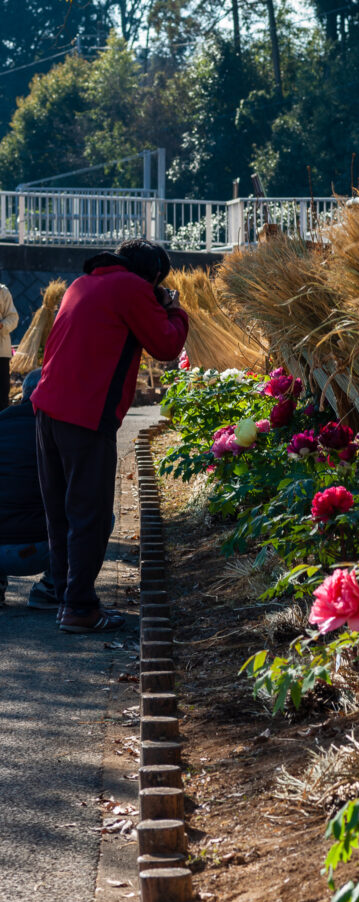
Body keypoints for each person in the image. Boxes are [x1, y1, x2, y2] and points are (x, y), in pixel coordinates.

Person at [31, 239, 188, 633]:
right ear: (152, 275)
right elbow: (167, 344)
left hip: (47, 409)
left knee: (61, 513)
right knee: (91, 516)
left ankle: (62, 591)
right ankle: (80, 608)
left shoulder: (81, 284)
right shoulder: (131, 288)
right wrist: (174, 309)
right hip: (85, 415)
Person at [0, 369, 59, 609]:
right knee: (101, 516)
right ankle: (52, 588)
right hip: (40, 548)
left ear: (23, 394)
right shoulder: (59, 430)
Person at [0, 281, 19, 411]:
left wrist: (1, 325)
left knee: (1, 391)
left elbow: (13, 318)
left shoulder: (3, 291)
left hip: (1, 351)